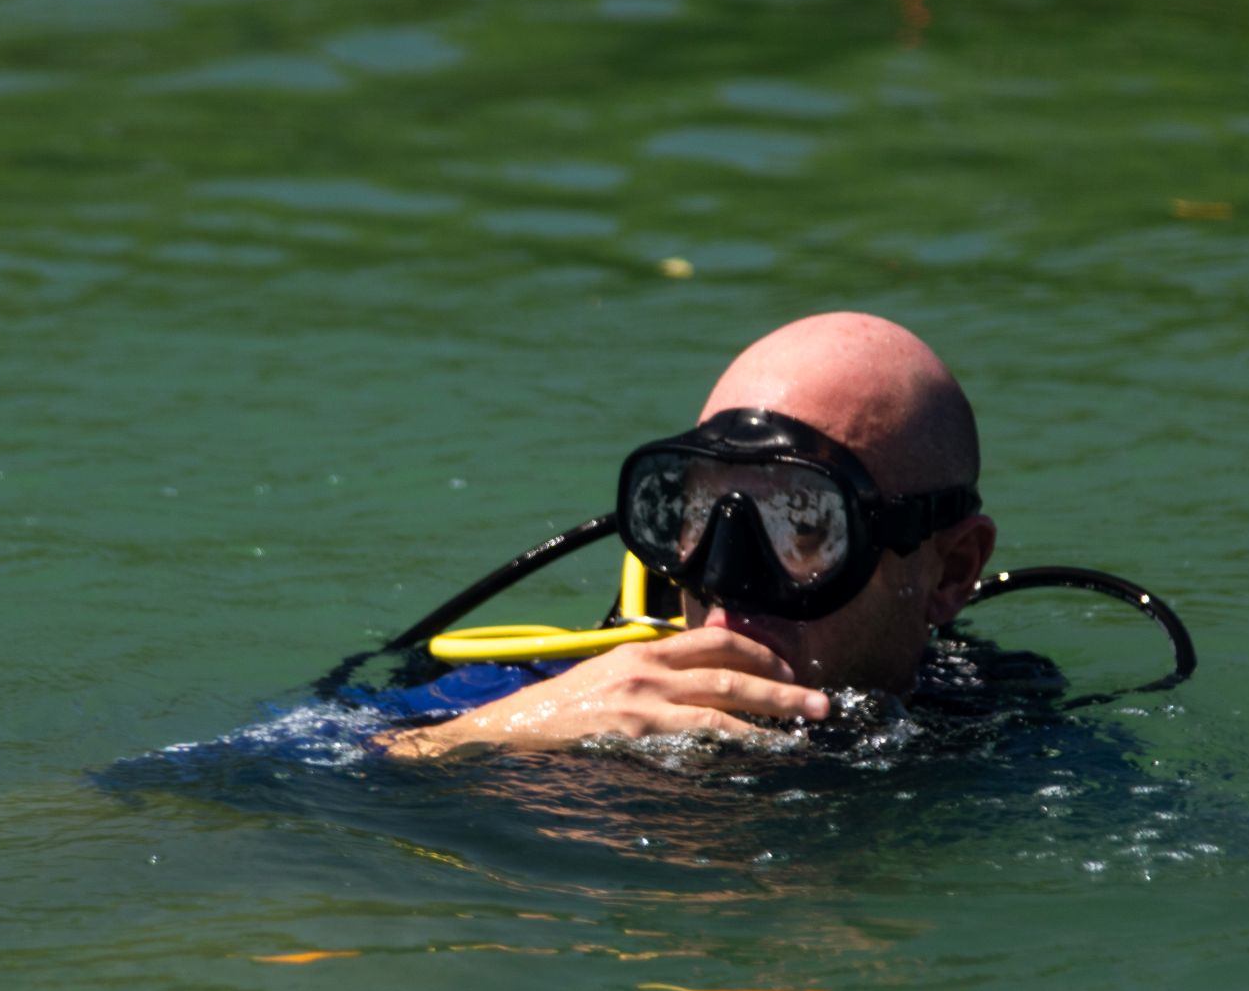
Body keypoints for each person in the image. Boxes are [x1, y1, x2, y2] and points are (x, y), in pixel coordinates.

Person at [383, 312, 998, 758]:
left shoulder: (994, 731)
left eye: (804, 525)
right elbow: (296, 777)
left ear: (949, 572)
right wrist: (483, 735)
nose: (725, 590)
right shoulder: (541, 690)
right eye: (700, 512)